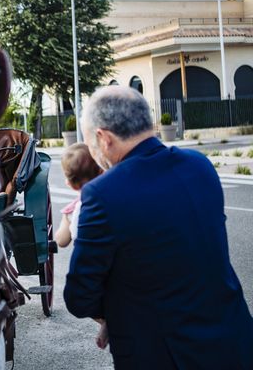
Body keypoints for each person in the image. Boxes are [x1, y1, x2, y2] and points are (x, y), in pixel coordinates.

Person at [63, 86, 253, 369]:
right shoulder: (199, 165)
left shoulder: (102, 194)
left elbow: (80, 296)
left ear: (103, 139)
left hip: (163, 354)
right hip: (233, 339)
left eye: (90, 142)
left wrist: (112, 314)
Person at [54, 143, 106, 349]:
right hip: (116, 267)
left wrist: (61, 227)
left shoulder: (73, 209)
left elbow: (61, 241)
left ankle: (104, 321)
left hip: (92, 274)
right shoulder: (110, 198)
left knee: (80, 296)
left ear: (69, 183)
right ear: (101, 170)